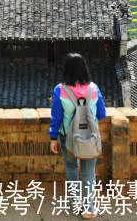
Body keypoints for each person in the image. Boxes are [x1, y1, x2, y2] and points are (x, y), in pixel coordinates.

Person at [49, 53, 106, 220]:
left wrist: (53, 138)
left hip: (68, 138)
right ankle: (89, 208)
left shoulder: (60, 90)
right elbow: (102, 114)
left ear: (66, 70)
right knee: (89, 172)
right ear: (85, 69)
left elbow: (56, 118)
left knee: (71, 167)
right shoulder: (94, 89)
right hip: (91, 137)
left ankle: (76, 202)